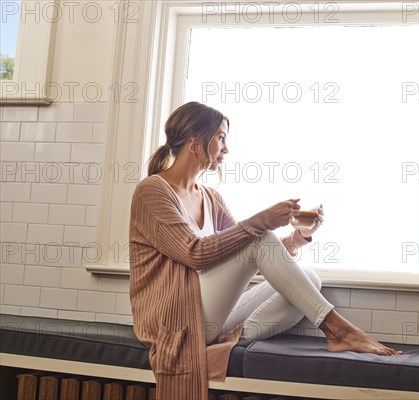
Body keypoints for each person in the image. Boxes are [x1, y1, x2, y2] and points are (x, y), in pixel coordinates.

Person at [129, 102, 400, 400]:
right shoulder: (152, 191)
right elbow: (195, 253)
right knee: (259, 235)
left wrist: (296, 240)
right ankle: (339, 330)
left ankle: (236, 337)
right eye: (221, 137)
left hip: (206, 315)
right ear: (195, 141)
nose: (226, 148)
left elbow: (249, 256)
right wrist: (265, 219)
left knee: (309, 278)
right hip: (175, 319)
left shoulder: (210, 197)